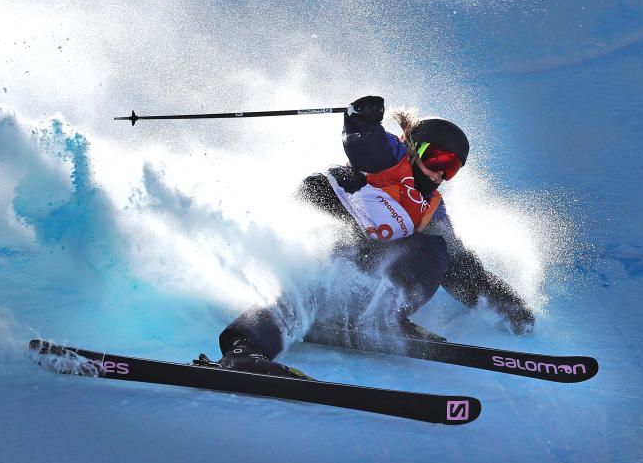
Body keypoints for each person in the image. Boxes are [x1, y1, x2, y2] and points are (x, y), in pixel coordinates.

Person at [212, 95, 535, 378]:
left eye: (450, 168)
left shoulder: (431, 210)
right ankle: (245, 351)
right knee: (307, 287)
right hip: (327, 221)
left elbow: (463, 269)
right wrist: (361, 117)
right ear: (413, 147)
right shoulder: (391, 158)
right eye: (435, 158)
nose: (439, 172)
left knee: (438, 249)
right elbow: (363, 140)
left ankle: (382, 313)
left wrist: (507, 304)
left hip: (362, 260)